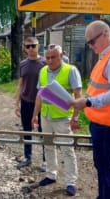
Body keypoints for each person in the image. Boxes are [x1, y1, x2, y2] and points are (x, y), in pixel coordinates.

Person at [69, 20, 110, 199]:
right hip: (100, 121)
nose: (90, 46)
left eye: (92, 41)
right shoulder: (106, 56)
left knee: (106, 168)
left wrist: (88, 103)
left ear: (105, 34)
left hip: (108, 123)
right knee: (101, 166)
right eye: (88, 43)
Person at [32, 44, 82, 197]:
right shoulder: (42, 71)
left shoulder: (70, 70)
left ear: (61, 55)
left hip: (62, 117)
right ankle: (51, 174)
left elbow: (78, 96)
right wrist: (35, 115)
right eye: (47, 57)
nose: (50, 60)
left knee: (67, 149)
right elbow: (40, 95)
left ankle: (70, 182)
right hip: (46, 116)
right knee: (48, 146)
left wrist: (75, 117)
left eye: (53, 57)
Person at [14, 36, 46, 170]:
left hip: (42, 103)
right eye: (28, 46)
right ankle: (28, 157)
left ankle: (46, 160)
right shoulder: (23, 64)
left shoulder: (45, 62)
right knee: (27, 131)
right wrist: (16, 103)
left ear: (38, 46)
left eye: (33, 45)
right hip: (26, 102)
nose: (31, 48)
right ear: (25, 49)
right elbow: (21, 84)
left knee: (43, 132)